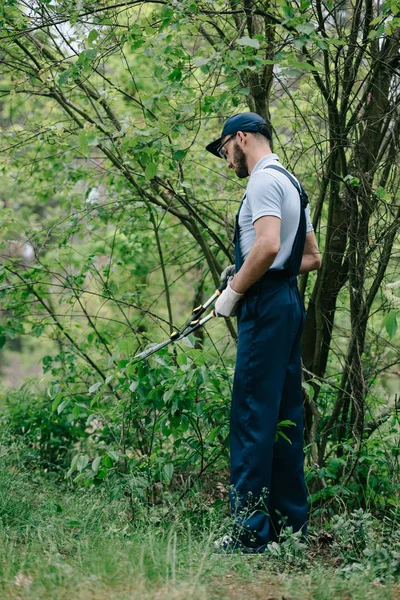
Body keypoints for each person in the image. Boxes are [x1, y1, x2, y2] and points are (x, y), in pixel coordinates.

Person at [206, 112, 321, 553]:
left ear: (241, 138)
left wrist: (234, 291)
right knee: (285, 417)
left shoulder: (261, 181)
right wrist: (249, 265)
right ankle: (292, 531)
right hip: (289, 302)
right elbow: (309, 257)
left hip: (267, 307)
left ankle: (249, 534)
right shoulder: (293, 184)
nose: (226, 159)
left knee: (254, 416)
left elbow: (270, 244)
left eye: (224, 149)